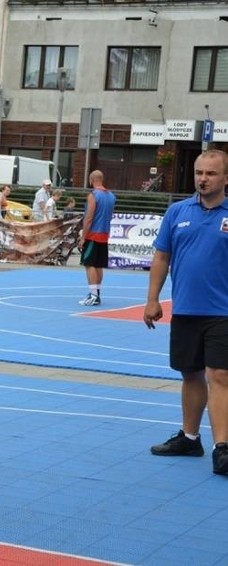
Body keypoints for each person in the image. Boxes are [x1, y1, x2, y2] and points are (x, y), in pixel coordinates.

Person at [145, 149, 228, 475]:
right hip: (186, 310)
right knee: (190, 373)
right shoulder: (177, 212)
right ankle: (190, 438)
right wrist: (153, 300)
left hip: (223, 312)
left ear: (225, 178)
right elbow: (162, 258)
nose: (203, 179)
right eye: (198, 172)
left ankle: (222, 447)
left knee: (219, 375)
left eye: (210, 173)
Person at [78, 170, 116, 306]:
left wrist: (83, 237)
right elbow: (111, 215)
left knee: (89, 264)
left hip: (93, 234)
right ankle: (96, 293)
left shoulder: (93, 195)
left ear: (91, 180)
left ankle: (93, 295)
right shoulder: (111, 196)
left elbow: (89, 218)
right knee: (99, 264)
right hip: (105, 234)